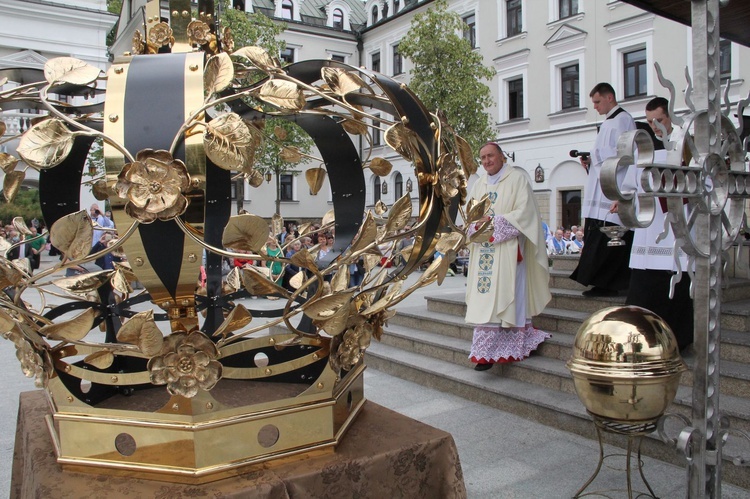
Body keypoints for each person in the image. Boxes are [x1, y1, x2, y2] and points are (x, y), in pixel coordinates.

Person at [465, 142, 551, 371]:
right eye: (482, 158)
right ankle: (485, 355)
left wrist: (494, 223)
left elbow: (526, 213)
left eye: (490, 156)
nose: (486, 161)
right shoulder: (479, 184)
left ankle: (513, 346)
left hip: (509, 251)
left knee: (508, 297)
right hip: (485, 251)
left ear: (502, 157)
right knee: (486, 301)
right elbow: (469, 214)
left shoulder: (517, 179)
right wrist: (474, 225)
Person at [625, 97, 694, 351]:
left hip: (676, 226)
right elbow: (631, 180)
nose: (656, 127)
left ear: (671, 116)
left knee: (674, 286)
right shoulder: (643, 147)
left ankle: (678, 340)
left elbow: (699, 182)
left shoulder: (685, 144)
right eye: (651, 121)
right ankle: (642, 340)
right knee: (643, 288)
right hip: (649, 227)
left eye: (660, 120)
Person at [570, 82, 636, 297]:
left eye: (597, 102)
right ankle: (598, 281)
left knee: (609, 239)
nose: (595, 107)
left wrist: (595, 156)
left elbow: (624, 155)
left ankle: (608, 283)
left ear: (610, 98)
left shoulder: (623, 120)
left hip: (613, 188)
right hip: (602, 186)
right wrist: (590, 160)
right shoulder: (610, 122)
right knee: (597, 236)